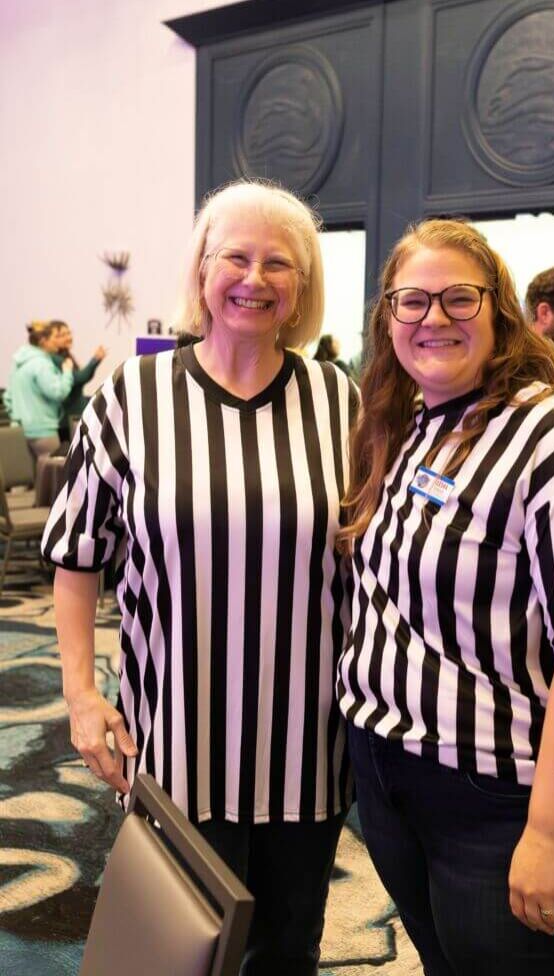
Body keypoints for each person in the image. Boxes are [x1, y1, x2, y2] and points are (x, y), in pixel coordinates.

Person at [42, 180, 359, 976]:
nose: (255, 278)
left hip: (307, 742)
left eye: (278, 263)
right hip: (176, 736)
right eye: (236, 257)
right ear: (202, 272)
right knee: (180, 950)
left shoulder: (339, 400)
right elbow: (77, 558)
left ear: (302, 287)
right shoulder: (132, 395)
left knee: (289, 946)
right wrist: (82, 699)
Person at [335, 219, 554, 976]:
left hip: (508, 799)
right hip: (394, 774)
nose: (433, 318)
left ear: (501, 310)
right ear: (387, 317)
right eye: (411, 301)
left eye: (458, 299)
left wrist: (547, 835)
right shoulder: (408, 422)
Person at [3, 321, 74, 461]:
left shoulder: (18, 362)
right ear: (43, 341)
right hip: (44, 431)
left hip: (21, 430)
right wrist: (67, 373)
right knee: (54, 476)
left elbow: (8, 397)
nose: (57, 342)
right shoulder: (42, 364)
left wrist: (20, 418)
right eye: (54, 337)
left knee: (33, 479)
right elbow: (58, 392)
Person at [50, 321, 106, 440]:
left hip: (76, 416)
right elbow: (77, 379)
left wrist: (95, 361)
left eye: (69, 333)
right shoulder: (56, 359)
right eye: (62, 335)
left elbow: (82, 378)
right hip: (67, 420)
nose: (68, 337)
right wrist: (94, 360)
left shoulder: (65, 356)